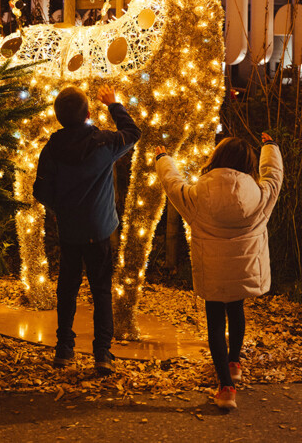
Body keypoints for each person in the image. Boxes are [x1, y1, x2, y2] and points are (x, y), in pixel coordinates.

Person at [154, 132, 283, 410]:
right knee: (236, 310)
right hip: (244, 268)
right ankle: (234, 361)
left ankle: (226, 387)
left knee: (215, 323)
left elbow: (172, 184)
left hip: (212, 270)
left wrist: (163, 158)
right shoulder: (259, 194)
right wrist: (270, 148)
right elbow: (274, 178)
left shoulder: (199, 193)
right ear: (247, 162)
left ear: (217, 158)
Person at [33, 84, 141, 375]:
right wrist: (114, 104)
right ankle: (102, 354)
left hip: (69, 231)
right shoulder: (103, 144)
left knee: (67, 289)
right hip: (100, 229)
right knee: (101, 290)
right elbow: (133, 133)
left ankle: (64, 349)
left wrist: (58, 207)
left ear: (58, 117)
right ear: (88, 113)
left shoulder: (52, 149)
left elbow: (40, 190)